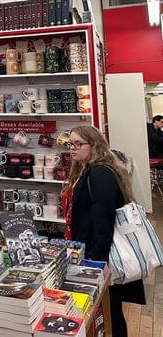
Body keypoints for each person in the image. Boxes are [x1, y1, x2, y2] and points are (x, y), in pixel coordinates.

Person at [61, 125, 145, 337]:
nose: (72, 148)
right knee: (109, 307)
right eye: (70, 143)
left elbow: (103, 221)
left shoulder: (99, 174)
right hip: (96, 251)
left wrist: (97, 263)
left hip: (102, 254)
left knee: (110, 308)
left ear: (94, 145)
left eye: (78, 144)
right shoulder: (93, 169)